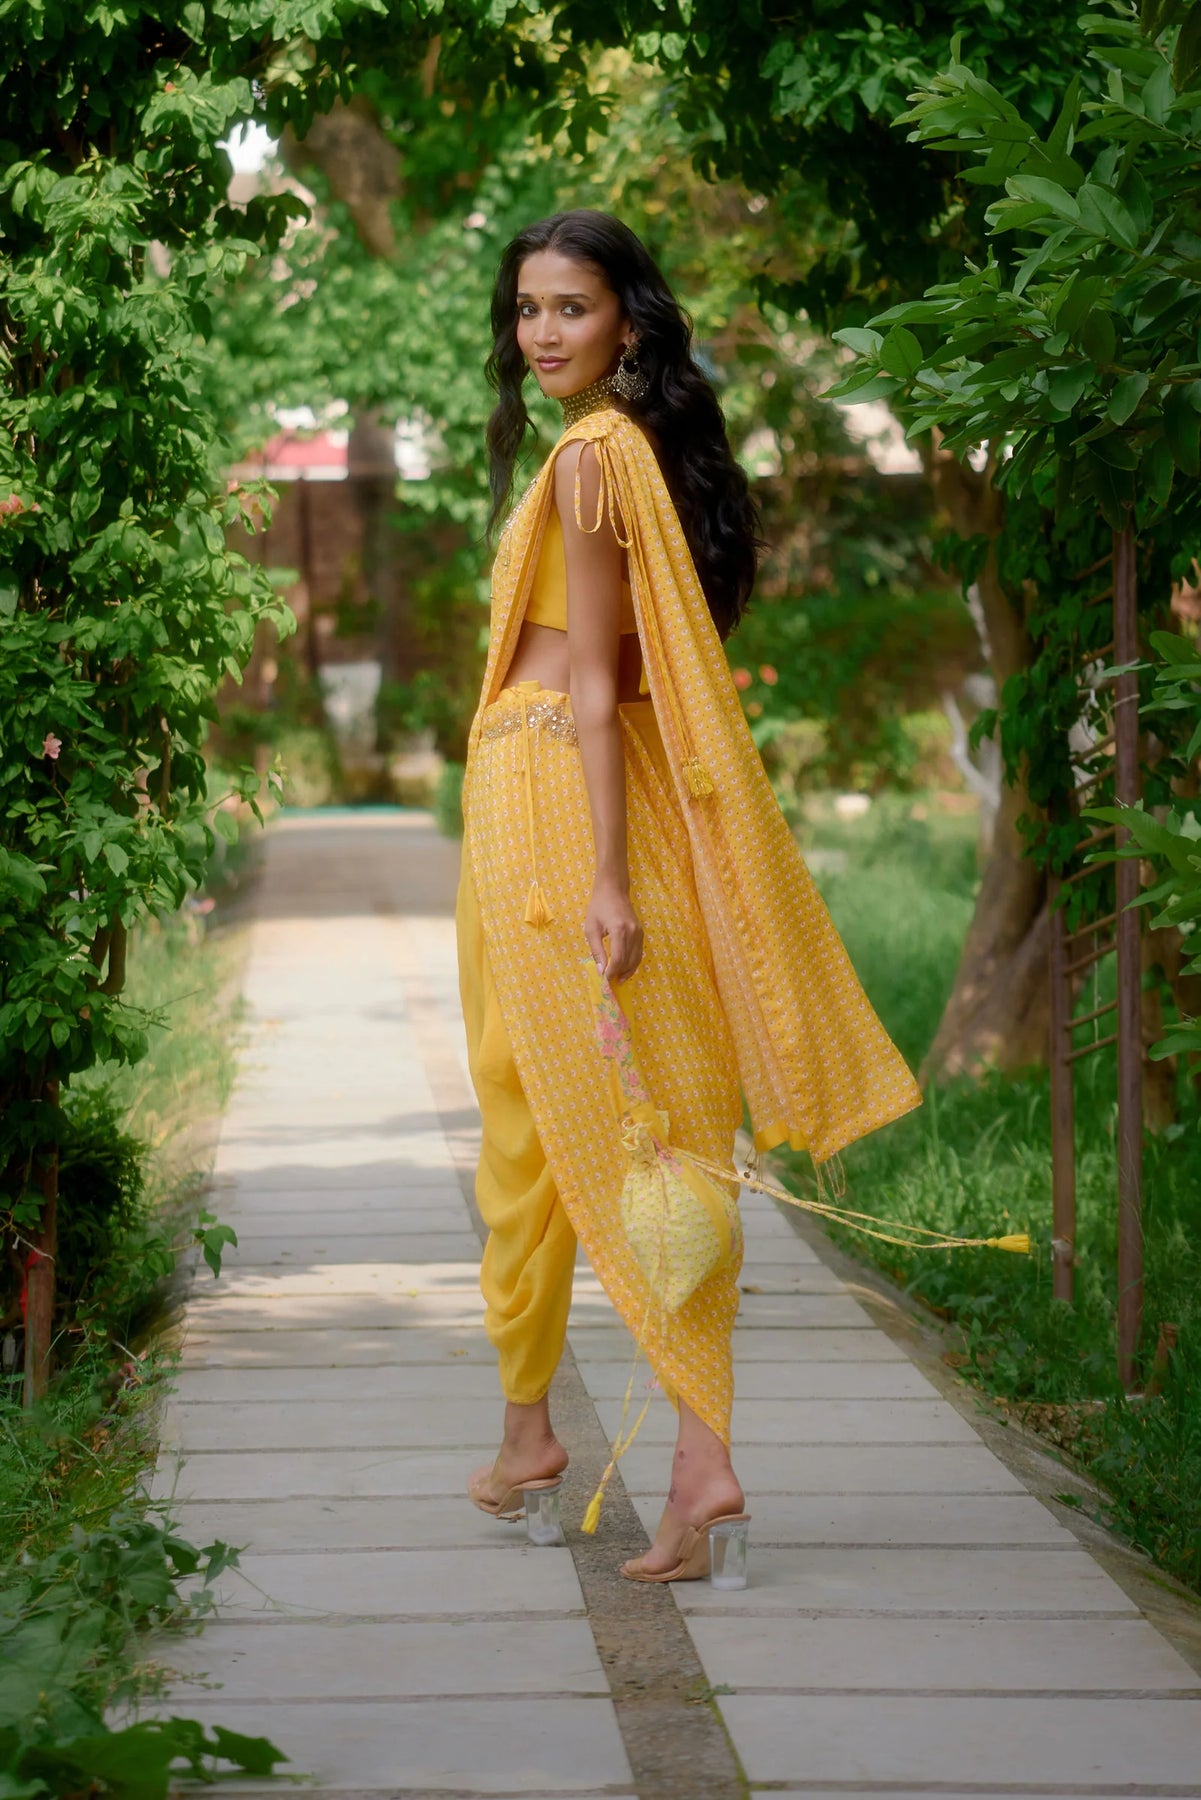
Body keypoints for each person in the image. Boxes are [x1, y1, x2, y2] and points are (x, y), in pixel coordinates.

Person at [456, 209, 920, 1581]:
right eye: (528, 308)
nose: (543, 332)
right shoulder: (628, 454)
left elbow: (598, 691)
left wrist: (607, 875)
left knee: (596, 1122)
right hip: (574, 796)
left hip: (554, 804)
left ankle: (643, 1451)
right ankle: (569, 1441)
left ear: (629, 323)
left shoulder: (590, 464)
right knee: (598, 1114)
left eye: (572, 307)